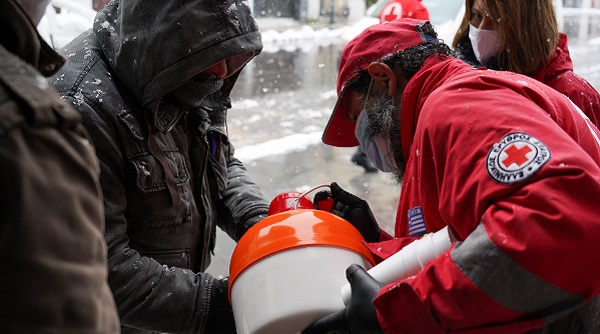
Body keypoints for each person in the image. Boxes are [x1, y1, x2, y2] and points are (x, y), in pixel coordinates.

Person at [304, 19, 600, 333]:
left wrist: (401, 314)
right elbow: (459, 240)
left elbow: (557, 221)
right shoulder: (438, 118)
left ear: (382, 79)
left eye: (356, 117)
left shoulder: (457, 103)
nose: (362, 138)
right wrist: (380, 245)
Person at [49, 0, 270, 332]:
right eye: (211, 54)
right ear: (164, 41)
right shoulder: (79, 107)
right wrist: (217, 305)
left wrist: (263, 224)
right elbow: (101, 266)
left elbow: (218, 160)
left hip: (174, 310)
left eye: (228, 55)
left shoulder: (194, 67)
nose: (223, 71)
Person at [0, 0, 119, 332]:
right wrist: (213, 305)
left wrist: (252, 212)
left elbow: (219, 156)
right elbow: (73, 314)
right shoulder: (31, 120)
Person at [452, 0, 600, 126]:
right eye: (477, 15)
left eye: (497, 20)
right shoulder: (457, 81)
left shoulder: (573, 95)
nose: (482, 28)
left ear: (526, 28)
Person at [350, 0, 432, 173]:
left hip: (382, 57)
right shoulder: (416, 8)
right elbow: (426, 41)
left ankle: (364, 152)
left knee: (377, 113)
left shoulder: (389, 4)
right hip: (403, 68)